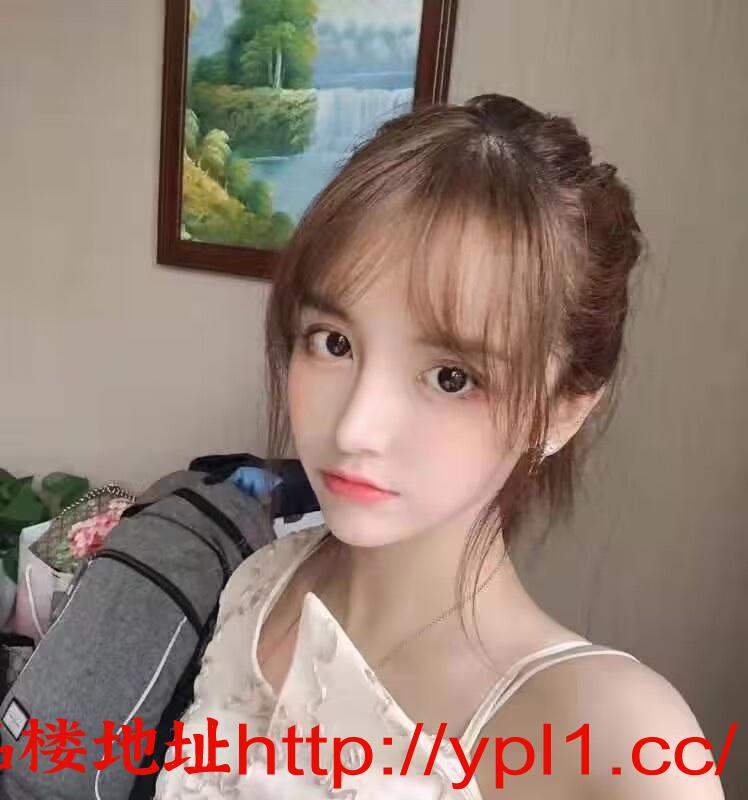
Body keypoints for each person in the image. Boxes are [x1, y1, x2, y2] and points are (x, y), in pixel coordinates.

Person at [154, 94, 724, 799]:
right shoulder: (259, 588)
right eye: (333, 342)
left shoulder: (624, 745)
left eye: (453, 377)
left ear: (563, 412)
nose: (356, 428)